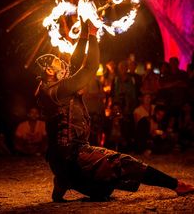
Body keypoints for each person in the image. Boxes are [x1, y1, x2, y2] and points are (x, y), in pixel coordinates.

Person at [36, 16, 194, 202]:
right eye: (56, 62)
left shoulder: (49, 88)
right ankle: (176, 185)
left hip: (62, 160)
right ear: (48, 71)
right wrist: (93, 35)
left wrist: (85, 37)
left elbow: (74, 65)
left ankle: (64, 180)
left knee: (104, 192)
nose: (61, 63)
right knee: (123, 163)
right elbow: (88, 68)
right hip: (72, 156)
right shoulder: (56, 90)